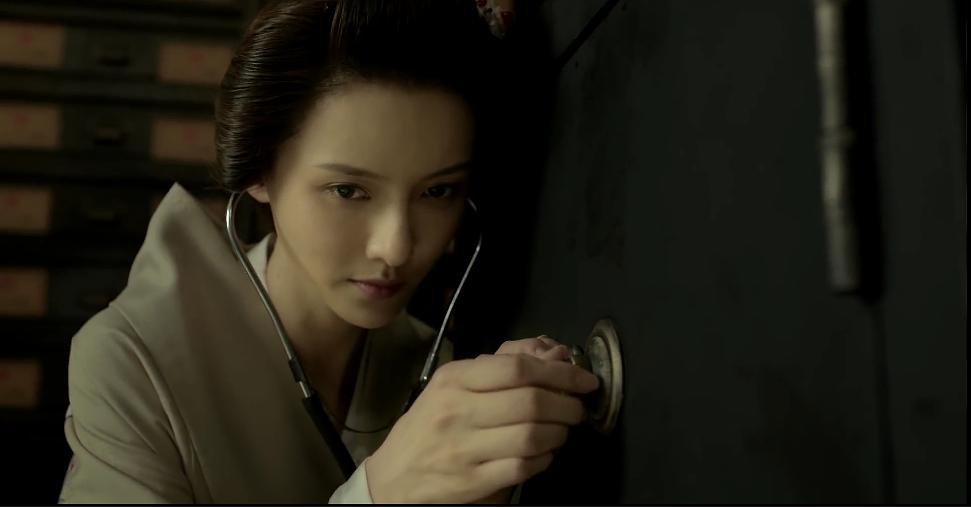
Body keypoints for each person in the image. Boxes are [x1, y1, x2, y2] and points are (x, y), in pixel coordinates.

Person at [57, 0, 599, 503]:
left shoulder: (439, 367)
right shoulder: (131, 361)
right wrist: (380, 492)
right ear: (260, 172)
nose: (396, 247)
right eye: (348, 190)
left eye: (438, 192)